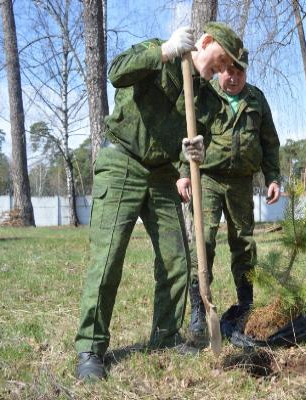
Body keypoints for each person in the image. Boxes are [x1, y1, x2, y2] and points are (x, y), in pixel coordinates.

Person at [74, 22, 245, 381]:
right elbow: (116, 73)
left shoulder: (207, 98)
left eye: (227, 68)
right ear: (206, 41)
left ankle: (165, 338)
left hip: (163, 175)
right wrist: (164, 51)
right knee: (109, 257)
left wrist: (194, 151)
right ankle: (91, 347)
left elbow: (206, 138)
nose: (222, 72)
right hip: (122, 161)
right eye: (220, 62)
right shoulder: (159, 52)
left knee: (176, 261)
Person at [176, 50, 281, 342]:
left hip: (242, 183)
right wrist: (184, 171)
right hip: (206, 178)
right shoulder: (204, 95)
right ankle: (199, 309)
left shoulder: (256, 100)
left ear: (245, 72)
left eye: (239, 72)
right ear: (219, 69)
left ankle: (246, 306)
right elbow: (186, 132)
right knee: (204, 240)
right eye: (227, 71)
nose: (233, 77)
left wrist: (272, 177)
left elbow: (269, 142)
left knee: (243, 243)